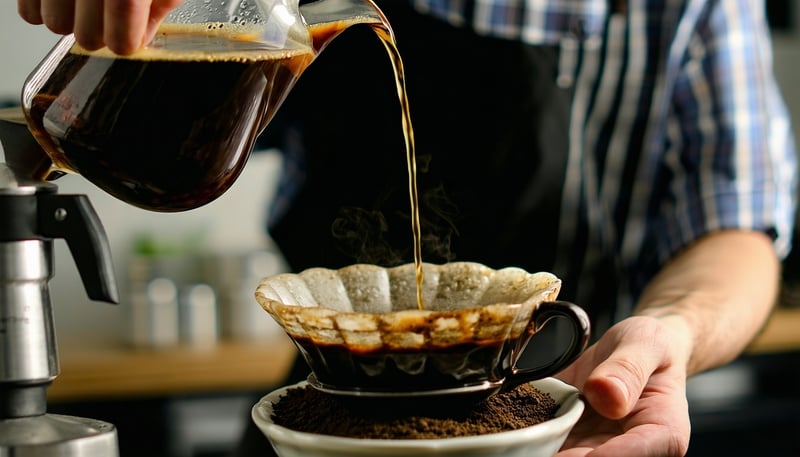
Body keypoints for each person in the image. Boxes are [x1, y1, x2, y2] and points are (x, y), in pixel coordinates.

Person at [18, 0, 798, 456]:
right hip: (320, 430)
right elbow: (187, 133)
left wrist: (670, 327)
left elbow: (737, 225)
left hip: (567, 422)